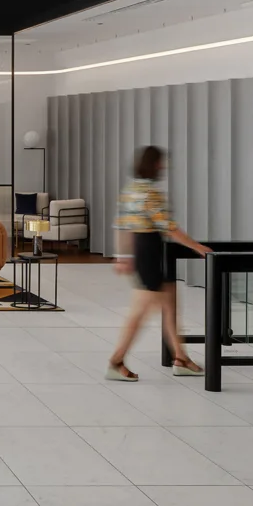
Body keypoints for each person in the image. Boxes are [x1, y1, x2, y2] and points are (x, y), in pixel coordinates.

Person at [109, 144, 210, 380]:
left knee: (170, 306)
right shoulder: (150, 193)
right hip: (150, 251)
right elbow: (169, 227)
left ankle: (181, 357)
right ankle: (116, 361)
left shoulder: (131, 189)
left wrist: (123, 256)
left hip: (144, 250)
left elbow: (122, 226)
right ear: (152, 164)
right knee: (140, 312)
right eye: (160, 162)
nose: (163, 166)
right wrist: (196, 246)